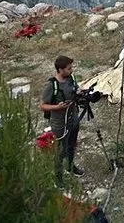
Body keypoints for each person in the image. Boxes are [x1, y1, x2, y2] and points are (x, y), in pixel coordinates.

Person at [39, 55, 84, 185]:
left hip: (73, 118)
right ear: (60, 70)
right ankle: (58, 179)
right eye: (69, 68)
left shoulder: (71, 79)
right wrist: (56, 107)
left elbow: (76, 89)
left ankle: (70, 166)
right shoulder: (51, 85)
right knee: (60, 152)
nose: (72, 70)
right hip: (59, 123)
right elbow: (42, 106)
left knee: (71, 145)